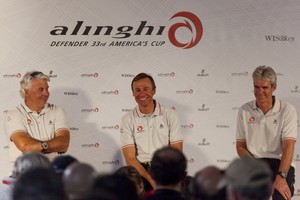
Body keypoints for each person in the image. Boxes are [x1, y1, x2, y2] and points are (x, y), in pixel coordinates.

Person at [235, 66, 297, 200]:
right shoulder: (244, 110)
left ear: (274, 87)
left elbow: (289, 146)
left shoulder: (287, 110)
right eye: (256, 87)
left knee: (280, 196)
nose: (260, 92)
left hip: (280, 164)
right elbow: (240, 146)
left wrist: (281, 177)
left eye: (265, 87)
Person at [120, 72, 183, 191]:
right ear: (133, 93)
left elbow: (176, 152)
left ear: (154, 91)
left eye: (146, 89)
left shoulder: (170, 114)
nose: (141, 93)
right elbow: (130, 158)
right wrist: (151, 179)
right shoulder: (127, 119)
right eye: (137, 90)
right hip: (140, 171)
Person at [4, 70, 70, 173]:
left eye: (47, 89)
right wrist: (50, 146)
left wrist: (38, 147)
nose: (46, 93)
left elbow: (64, 144)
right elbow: (25, 147)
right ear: (26, 92)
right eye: (41, 89)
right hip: (21, 176)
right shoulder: (14, 114)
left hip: (49, 175)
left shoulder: (57, 110)